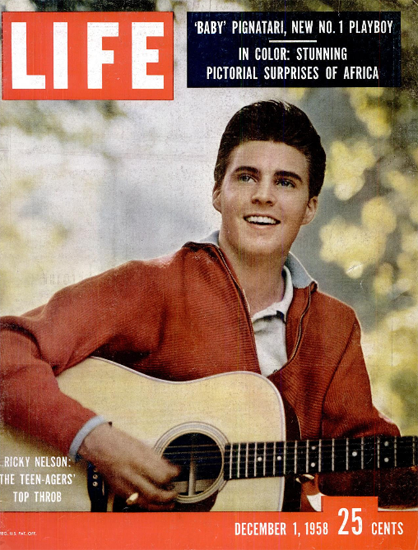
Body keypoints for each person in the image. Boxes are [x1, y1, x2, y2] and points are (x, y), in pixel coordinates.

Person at [0, 100, 415, 511]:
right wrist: (96, 441)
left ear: (310, 207)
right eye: (247, 177)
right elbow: (8, 347)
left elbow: (359, 465)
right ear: (218, 192)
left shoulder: (335, 325)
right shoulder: (151, 285)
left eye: (286, 182)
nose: (264, 196)